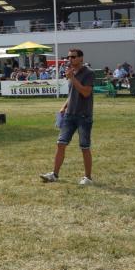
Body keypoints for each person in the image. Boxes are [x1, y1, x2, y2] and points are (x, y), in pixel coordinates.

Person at [40, 48, 95, 185]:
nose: (70, 59)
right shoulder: (72, 72)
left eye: (73, 57)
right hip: (69, 115)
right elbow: (72, 94)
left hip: (84, 115)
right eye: (68, 57)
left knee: (84, 147)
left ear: (81, 58)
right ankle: (54, 174)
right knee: (60, 144)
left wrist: (72, 78)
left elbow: (85, 93)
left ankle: (87, 178)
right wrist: (64, 107)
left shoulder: (88, 73)